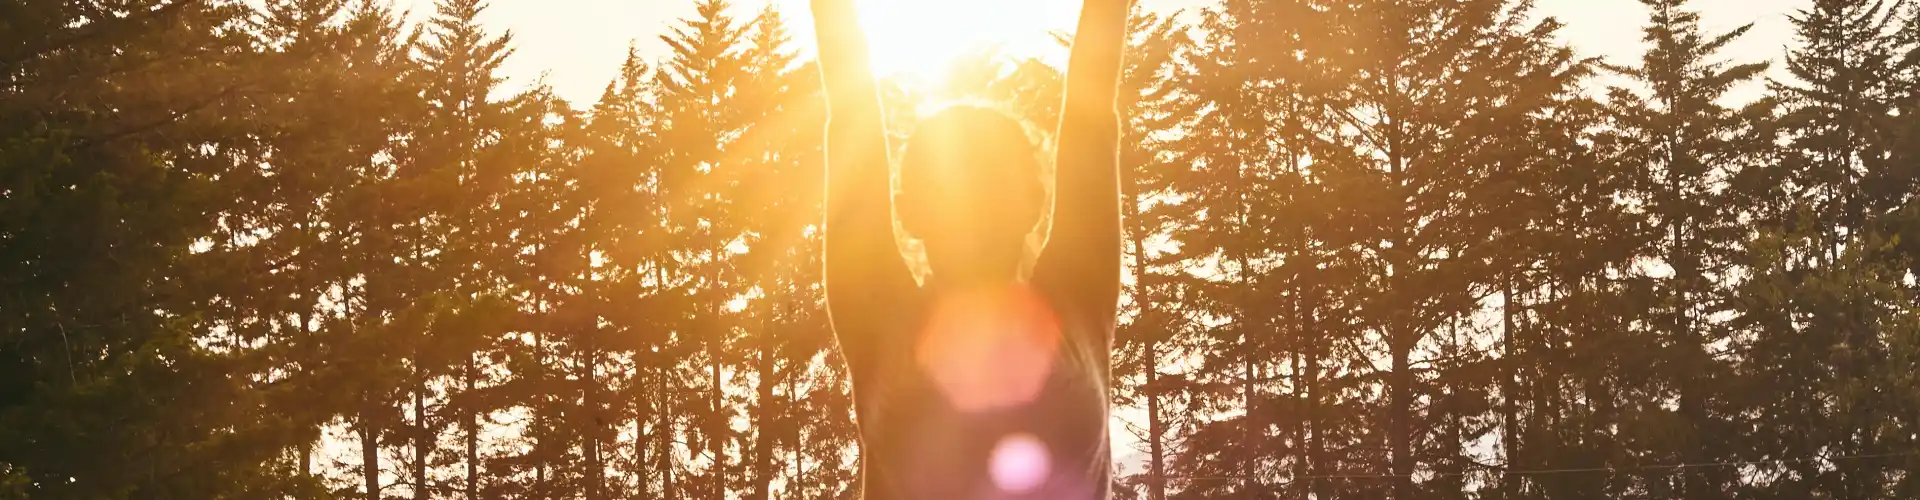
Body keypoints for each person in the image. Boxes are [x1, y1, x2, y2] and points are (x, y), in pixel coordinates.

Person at [811, 0, 1128, 498]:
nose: (974, 209)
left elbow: (1093, 124)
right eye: (950, 192)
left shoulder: (1077, 304)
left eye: (992, 185)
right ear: (908, 211)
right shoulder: (880, 319)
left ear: (1034, 201)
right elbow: (851, 123)